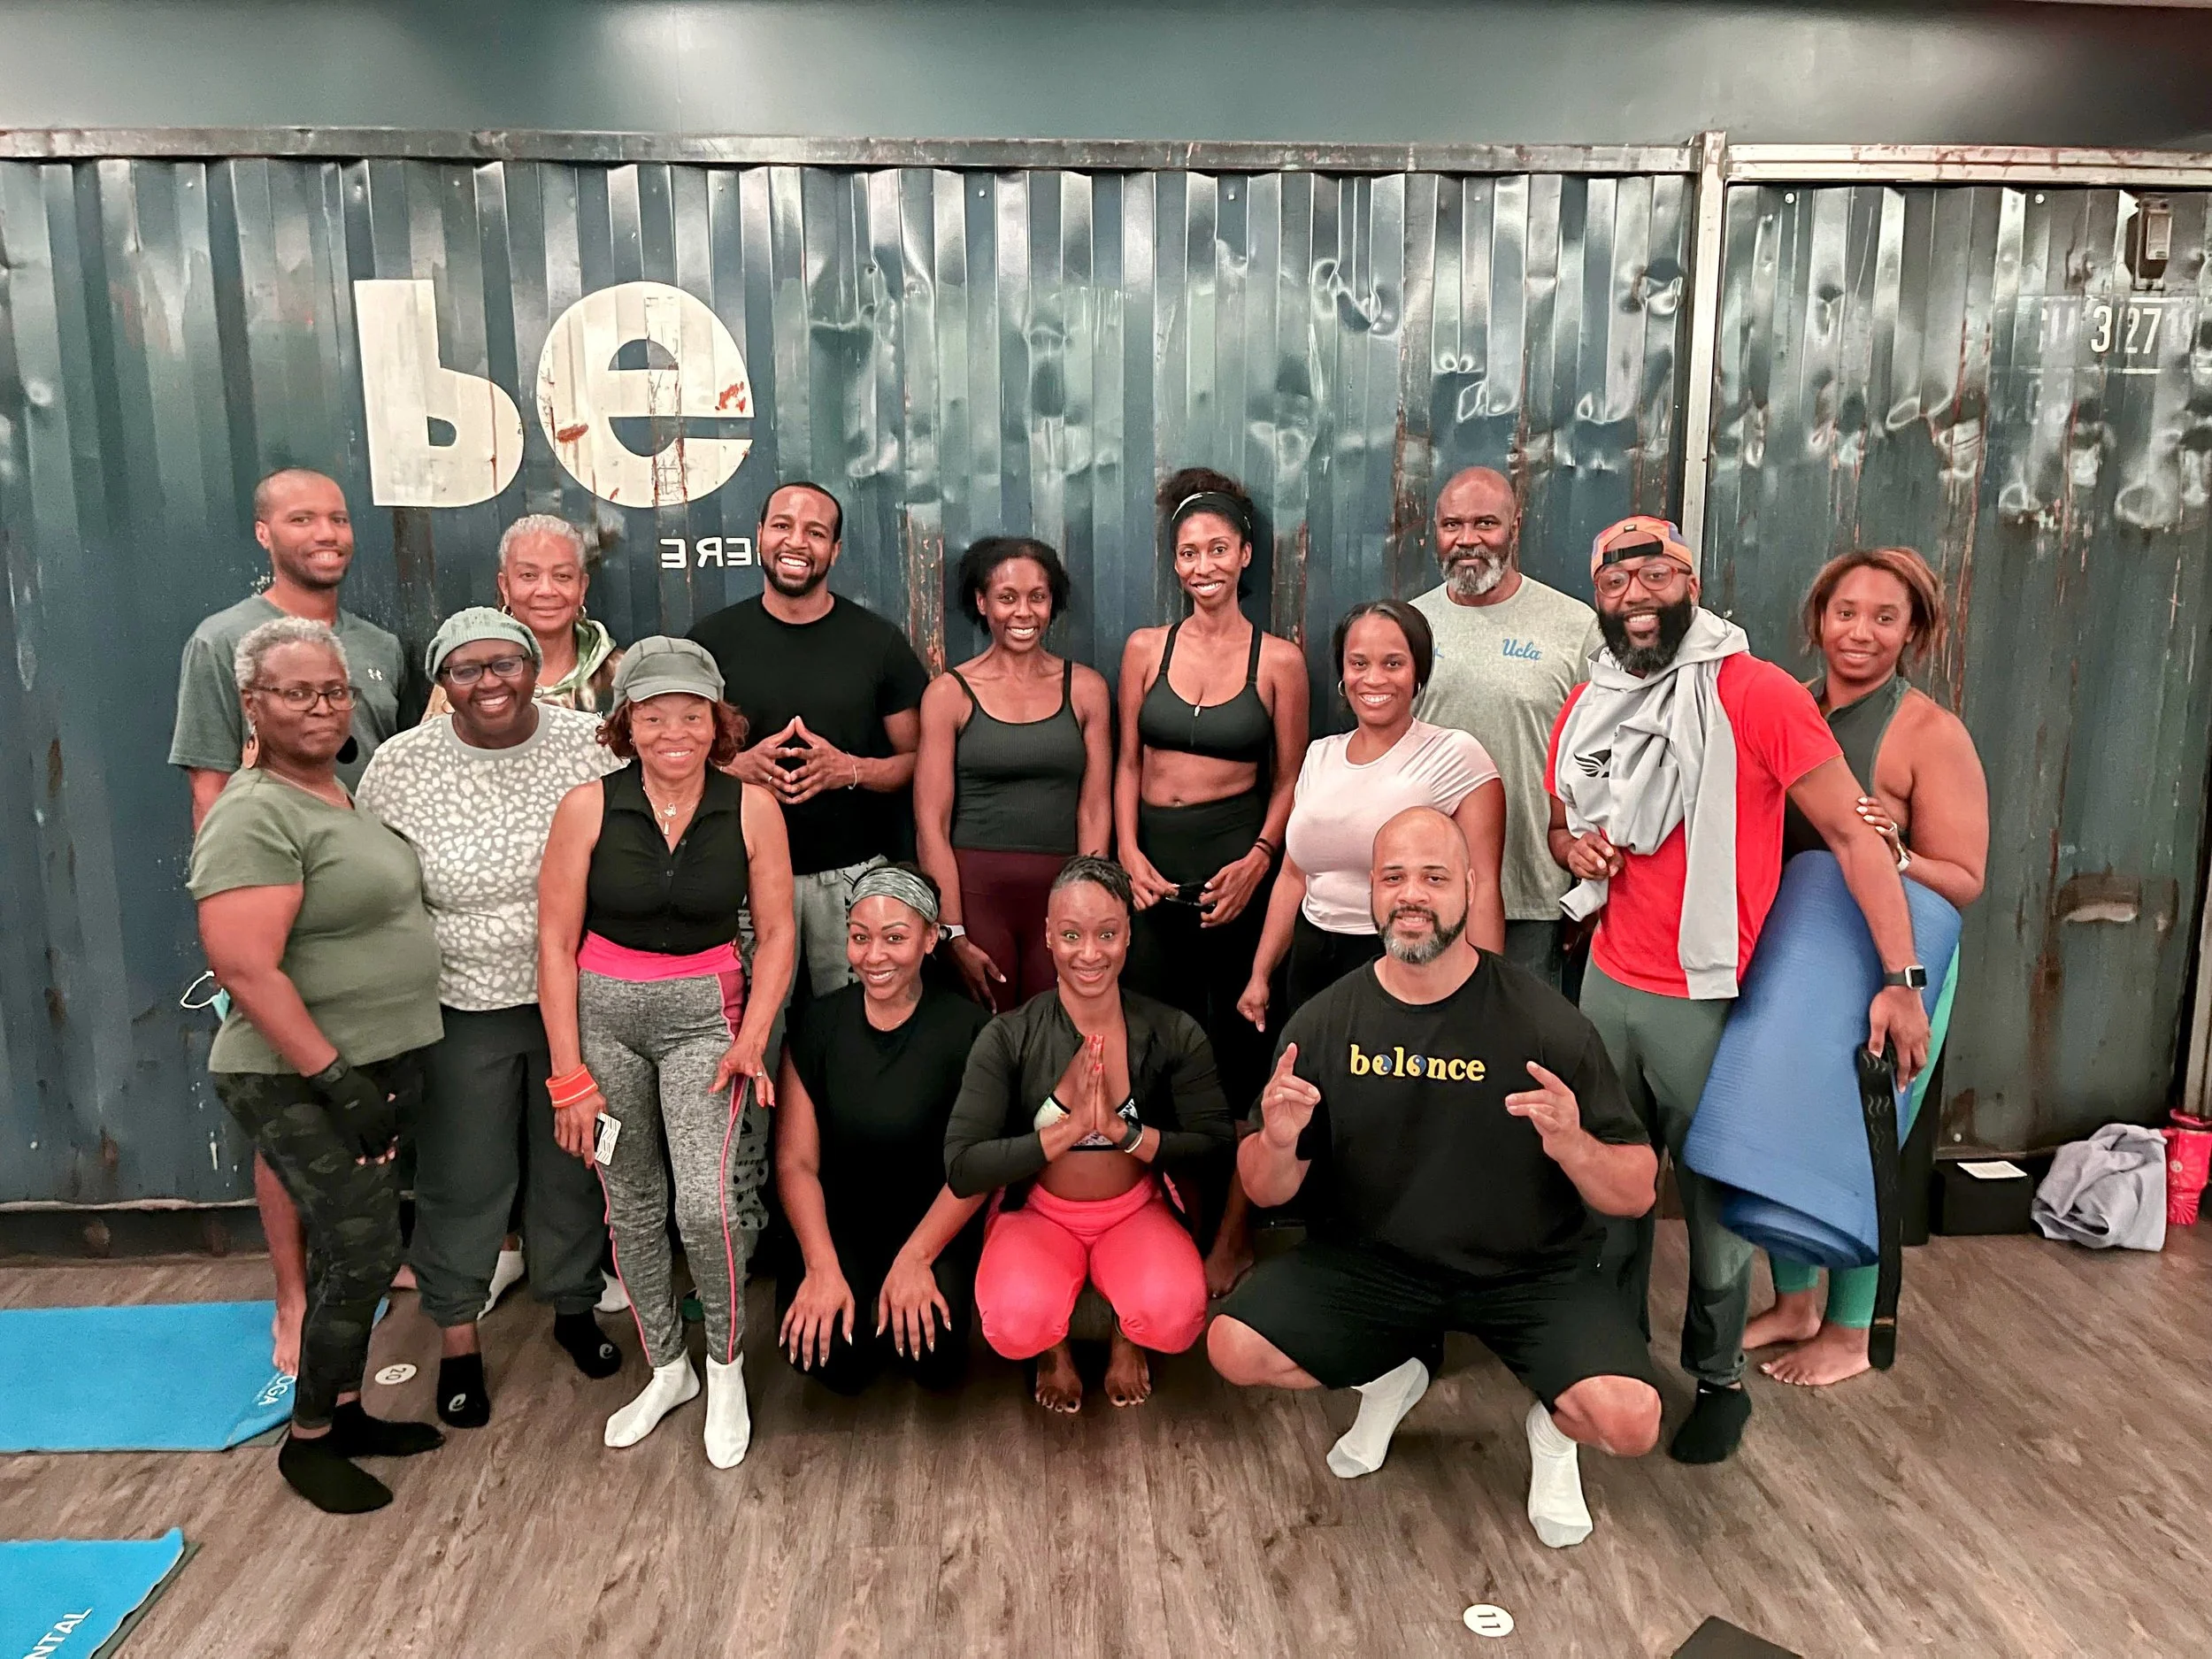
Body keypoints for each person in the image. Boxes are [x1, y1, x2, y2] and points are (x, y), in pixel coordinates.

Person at [1545, 515, 1933, 1464]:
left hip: (1709, 995)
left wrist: (1901, 979)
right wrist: (1572, 847)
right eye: (1616, 580)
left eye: (1656, 574)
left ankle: (1716, 1382)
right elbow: (1562, 823)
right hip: (1607, 980)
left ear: (1689, 580)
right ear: (1598, 595)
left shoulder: (1753, 693)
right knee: (1611, 1188)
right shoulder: (1589, 697)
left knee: (1715, 1203)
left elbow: (1852, 839)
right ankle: (1618, 1354)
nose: (1636, 595)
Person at [1209, 807, 1662, 1551]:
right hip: (1376, 1264)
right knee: (1233, 1346)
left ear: (1471, 888)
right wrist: (1281, 1140)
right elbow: (1264, 1188)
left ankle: (1552, 1434)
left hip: (1529, 1272)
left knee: (1630, 1419)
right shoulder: (1324, 1023)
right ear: (1371, 892)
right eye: (1394, 877)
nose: (1411, 894)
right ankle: (1390, 1376)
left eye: (1434, 877)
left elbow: (1638, 1190)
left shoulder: (1545, 1025)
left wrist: (1575, 1144)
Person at [188, 617, 446, 1514]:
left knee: (363, 1246)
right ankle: (309, 1441)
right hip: (294, 1072)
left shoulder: (335, 794)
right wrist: (335, 1079)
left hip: (368, 1064)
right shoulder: (253, 812)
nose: (321, 707)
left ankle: (346, 1411)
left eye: (333, 691)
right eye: (296, 692)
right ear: (251, 705)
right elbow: (243, 965)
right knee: (367, 1249)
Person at [357, 609, 626, 1428]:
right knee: (462, 1177)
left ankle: (574, 1310)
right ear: (441, 680)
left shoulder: (588, 741)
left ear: (532, 668)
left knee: (572, 1166)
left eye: (505, 663)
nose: (491, 682)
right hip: (459, 1003)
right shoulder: (402, 765)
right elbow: (371, 884)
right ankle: (460, 1338)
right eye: (467, 668)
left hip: (574, 998)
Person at [170, 467, 409, 1378]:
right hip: (279, 918)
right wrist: (238, 928)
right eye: (302, 517)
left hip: (370, 916)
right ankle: (292, 1297)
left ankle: (364, 1271)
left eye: (339, 518)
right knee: (290, 1111)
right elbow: (208, 785)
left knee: (367, 1101)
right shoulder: (222, 642)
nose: (327, 532)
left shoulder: (379, 645)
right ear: (263, 533)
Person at [536, 638, 796, 1468]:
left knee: (706, 1205)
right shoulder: (587, 806)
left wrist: (753, 1035)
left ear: (717, 724)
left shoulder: (752, 806)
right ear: (627, 724)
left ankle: (725, 1367)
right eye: (654, 716)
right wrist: (567, 1073)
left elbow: (780, 930)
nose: (674, 731)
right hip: (603, 1020)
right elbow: (552, 943)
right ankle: (667, 1367)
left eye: (693, 714)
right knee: (633, 1203)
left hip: (706, 1023)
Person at [1743, 547, 1987, 1387]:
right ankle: (1794, 1302)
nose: (1861, 631)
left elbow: (1964, 878)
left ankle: (1850, 1332)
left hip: (1895, 963)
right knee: (1779, 1125)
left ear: (1913, 630)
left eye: (1886, 617)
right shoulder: (1790, 706)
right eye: (1847, 611)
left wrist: (1898, 853)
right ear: (1819, 618)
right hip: (1798, 952)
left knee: (1859, 1138)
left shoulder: (1930, 734)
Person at [945, 857, 1234, 1413]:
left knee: (1174, 1318)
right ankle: (1054, 1352)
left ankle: (1128, 1335)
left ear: (1128, 934)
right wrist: (1064, 1124)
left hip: (1134, 1209)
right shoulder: (1007, 1036)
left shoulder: (1173, 1031)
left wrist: (1125, 1134)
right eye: (1072, 935)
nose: (1090, 953)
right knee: (1013, 1321)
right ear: (1049, 936)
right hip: (1040, 1213)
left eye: (1107, 934)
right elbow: (964, 1166)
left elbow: (1216, 1147)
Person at [1115, 467, 1308, 1291]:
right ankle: (1149, 1221)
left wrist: (1260, 858)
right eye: (1189, 550)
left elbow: (1292, 777)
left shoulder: (1281, 660)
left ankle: (1233, 1232)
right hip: (1150, 875)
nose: (1202, 564)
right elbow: (1126, 762)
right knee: (1147, 1049)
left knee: (1238, 1056)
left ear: (1245, 555)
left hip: (1237, 874)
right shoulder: (1142, 648)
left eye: (1217, 548)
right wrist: (1125, 854)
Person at [687, 482, 929, 998]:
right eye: (782, 526)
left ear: (835, 550)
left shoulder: (877, 643)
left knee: (846, 1034)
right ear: (758, 536)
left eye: (815, 532)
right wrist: (734, 767)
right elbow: (669, 758)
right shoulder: (709, 643)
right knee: (752, 1037)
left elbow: (920, 762)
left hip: (848, 883)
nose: (796, 542)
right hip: (741, 878)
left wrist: (852, 770)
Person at [1240, 598, 1507, 1030]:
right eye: (1358, 663)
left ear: (1418, 673)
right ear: (1343, 675)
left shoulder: (1456, 755)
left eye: (1393, 663)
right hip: (1311, 962)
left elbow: (1484, 886)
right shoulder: (1319, 755)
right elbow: (1295, 876)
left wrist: (1485, 995)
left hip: (1403, 957)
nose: (1374, 679)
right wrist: (1260, 973)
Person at [775, 866, 994, 1392]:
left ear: (929, 939)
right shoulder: (816, 1024)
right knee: (829, 1362)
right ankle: (852, 1290)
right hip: (841, 1223)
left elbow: (978, 1168)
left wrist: (917, 1259)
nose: (874, 956)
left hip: (932, 1225)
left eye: (894, 938)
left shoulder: (970, 1031)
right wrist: (821, 1267)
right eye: (859, 937)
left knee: (933, 1358)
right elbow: (795, 1163)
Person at [1409, 466, 1601, 988]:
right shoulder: (1408, 625)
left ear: (1516, 528)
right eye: (1453, 525)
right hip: (1424, 888)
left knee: (1518, 1052)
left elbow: (1600, 761)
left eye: (1485, 523)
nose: (1467, 540)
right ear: (1434, 532)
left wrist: (1589, 889)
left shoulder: (1574, 626)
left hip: (1532, 889)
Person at [915, 536, 1113, 1010]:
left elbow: (1094, 807)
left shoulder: (1086, 689)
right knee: (989, 1037)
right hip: (977, 896)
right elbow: (930, 822)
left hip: (1062, 891)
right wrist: (952, 931)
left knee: (1057, 1032)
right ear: (983, 603)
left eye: (1037, 597)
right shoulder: (949, 694)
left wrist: (1086, 903)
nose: (1023, 612)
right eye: (1007, 598)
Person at [423, 515, 623, 718]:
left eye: (562, 576)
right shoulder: (464, 676)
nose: (546, 590)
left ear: (581, 588)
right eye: (529, 575)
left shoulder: (623, 674)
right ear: (505, 587)